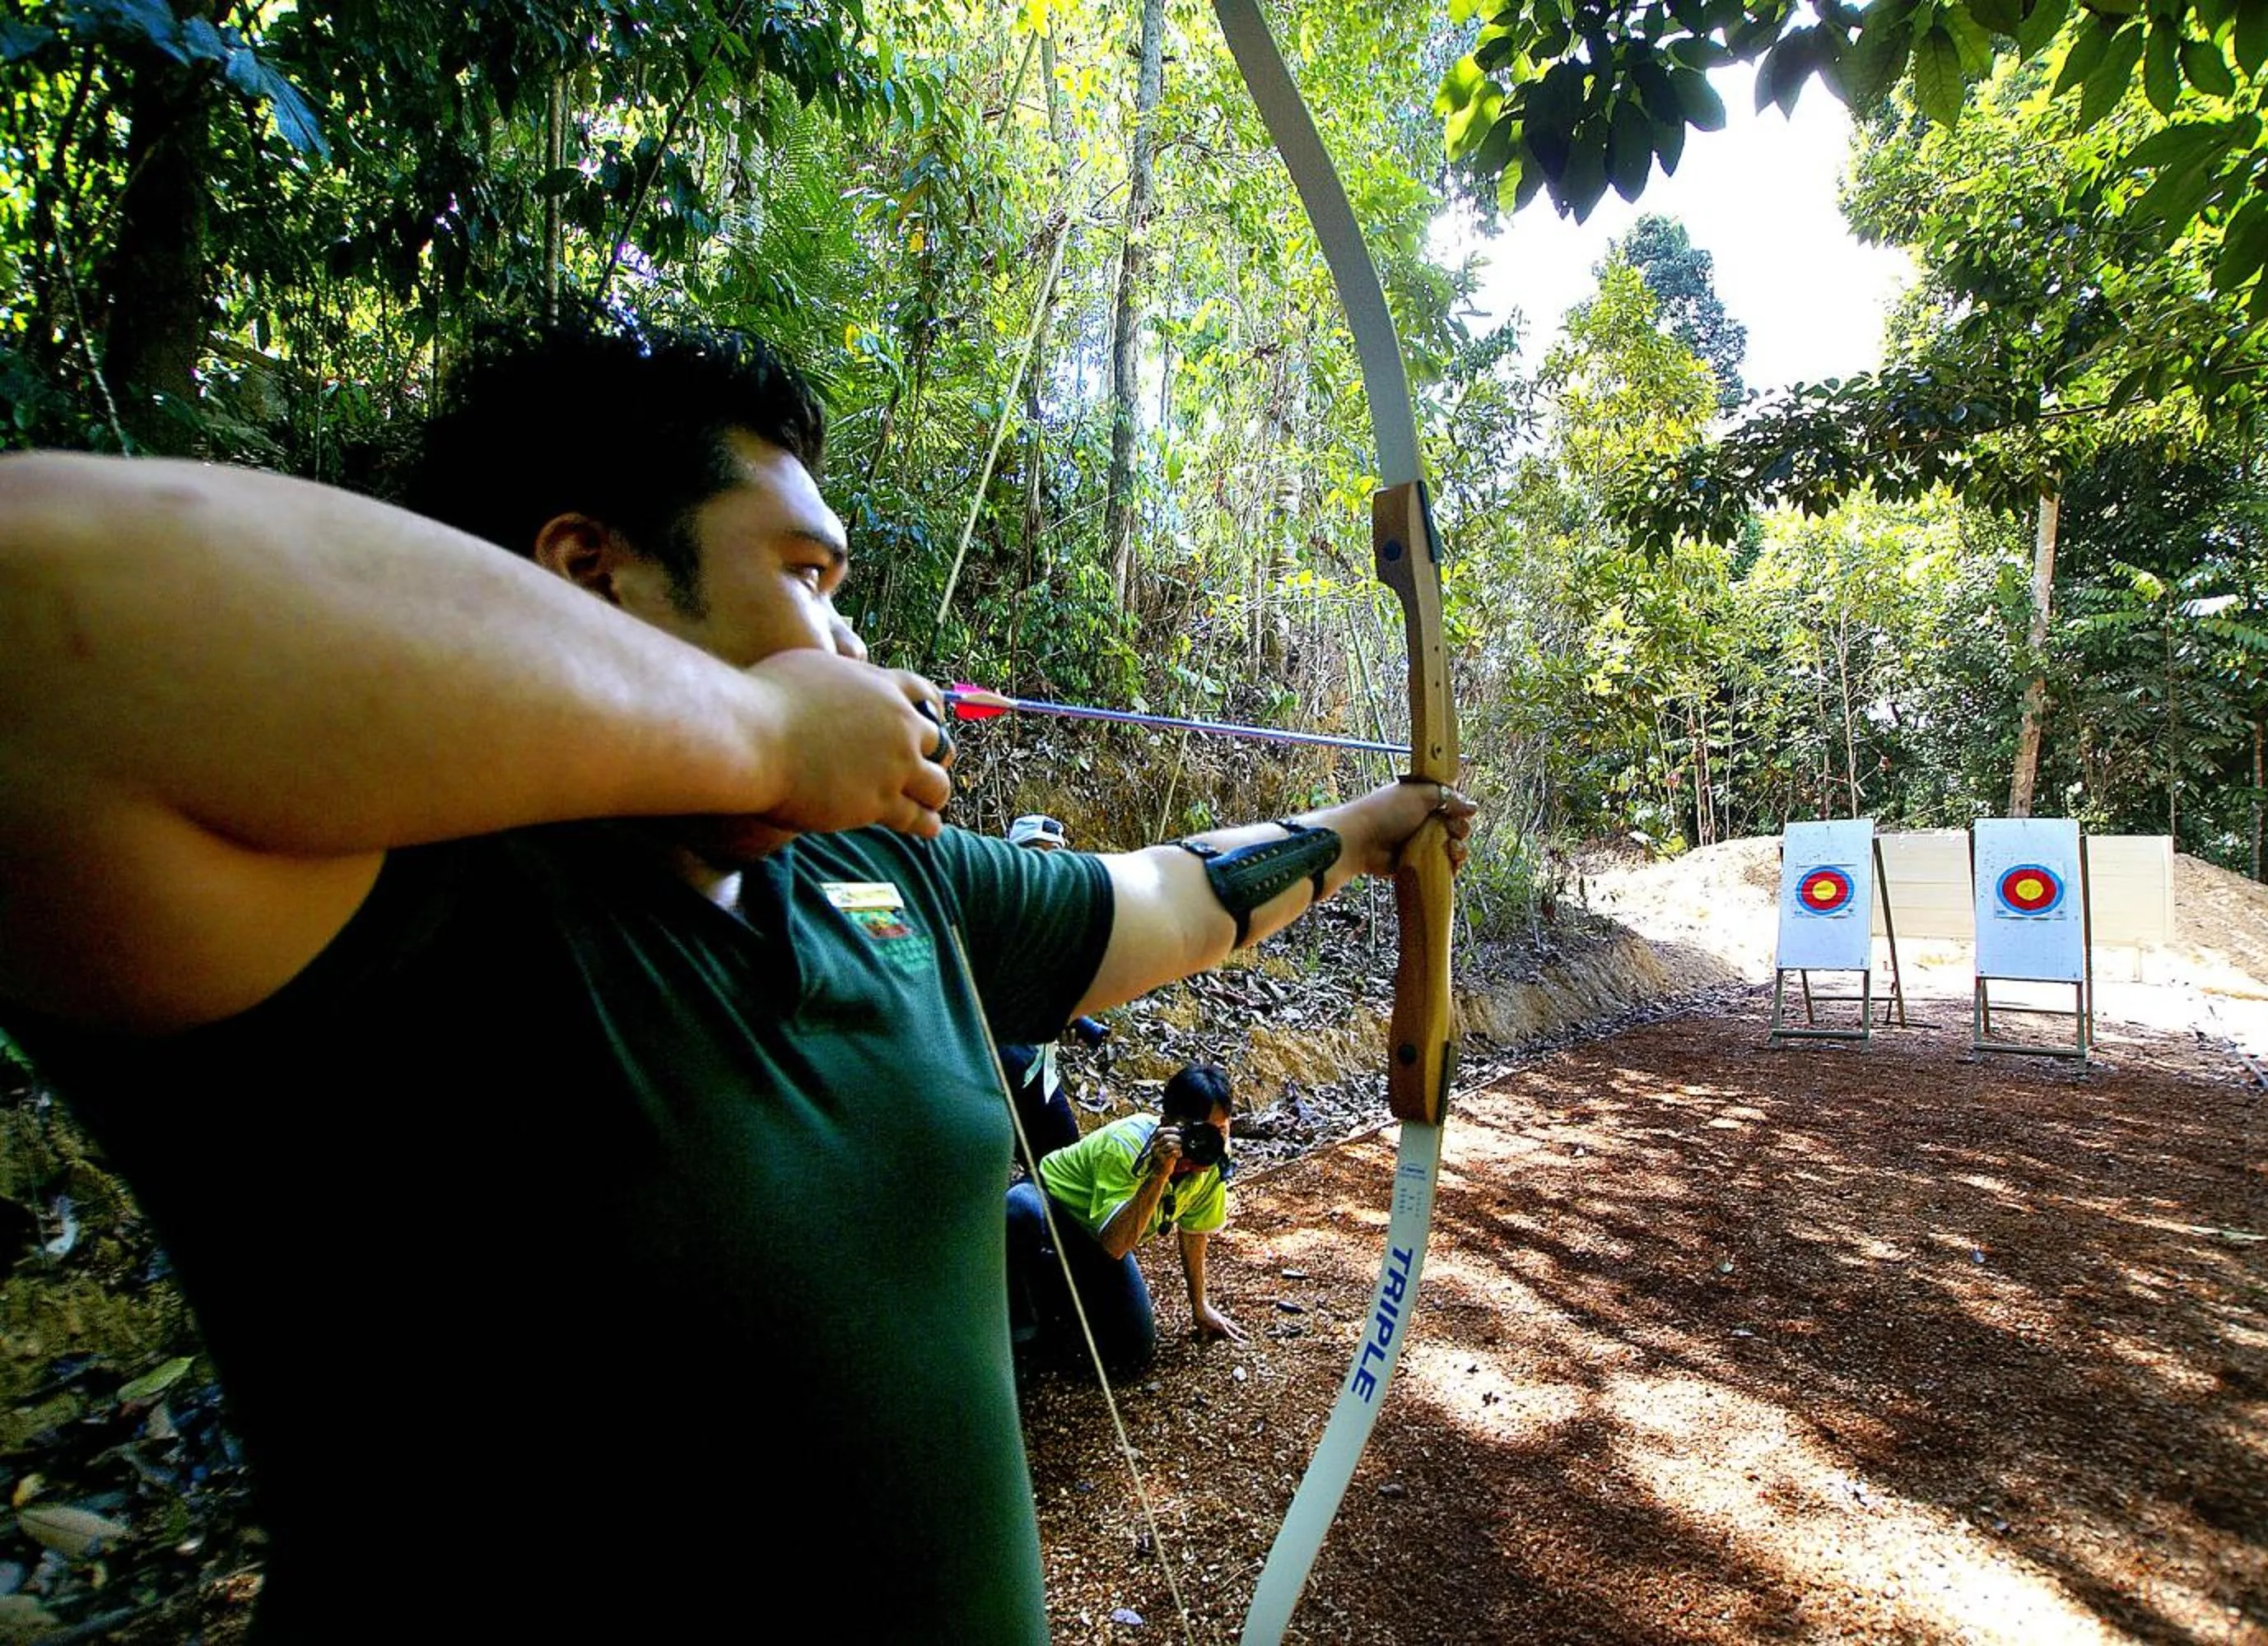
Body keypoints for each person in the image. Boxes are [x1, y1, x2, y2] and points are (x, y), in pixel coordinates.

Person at [0, 322, 1472, 1643]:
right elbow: (38, 602)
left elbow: (1162, 897)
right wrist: (756, 739)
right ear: (593, 573)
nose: (850, 639)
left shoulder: (887, 879)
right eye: (806, 575)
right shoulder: (368, 899)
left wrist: (1371, 830)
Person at [1006, 1063, 1246, 1379]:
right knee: (1017, 1208)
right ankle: (1021, 1328)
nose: (1209, 1143)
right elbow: (1115, 1244)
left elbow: (1193, 1232)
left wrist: (1199, 1306)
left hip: (1096, 1240)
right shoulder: (1126, 1145)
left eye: (1221, 1131)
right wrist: (1160, 1173)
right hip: (1053, 1212)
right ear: (1169, 1123)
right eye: (1199, 1131)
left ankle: (1059, 1310)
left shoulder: (1215, 1160)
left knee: (1132, 1351)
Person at [998, 813, 1110, 1164]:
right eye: (1037, 853)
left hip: (1037, 1073)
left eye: (1055, 855)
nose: (1047, 866)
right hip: (991, 1076)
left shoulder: (1058, 921)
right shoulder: (991, 910)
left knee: (1063, 1169)